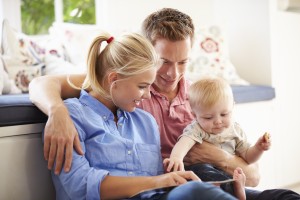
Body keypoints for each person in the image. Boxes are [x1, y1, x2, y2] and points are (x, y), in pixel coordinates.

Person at [29, 8, 300, 200]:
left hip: (192, 180)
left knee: (283, 195)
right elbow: (44, 83)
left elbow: (252, 174)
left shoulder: (195, 96)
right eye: (164, 62)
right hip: (179, 185)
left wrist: (214, 156)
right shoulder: (114, 90)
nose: (173, 73)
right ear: (147, 54)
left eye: (183, 62)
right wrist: (57, 110)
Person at [47, 31, 236, 199]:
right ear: (114, 79)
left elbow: (158, 187)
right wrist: (160, 182)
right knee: (194, 192)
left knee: (250, 193)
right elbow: (79, 186)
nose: (147, 95)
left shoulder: (145, 122)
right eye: (142, 86)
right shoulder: (71, 117)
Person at [164, 77, 272, 199]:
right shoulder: (197, 129)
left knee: (283, 195)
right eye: (208, 118)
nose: (218, 122)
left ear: (232, 107)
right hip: (201, 173)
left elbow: (248, 157)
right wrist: (176, 158)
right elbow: (184, 142)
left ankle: (238, 192)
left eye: (224, 114)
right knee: (204, 170)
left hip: (226, 175)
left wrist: (258, 148)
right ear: (195, 115)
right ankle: (236, 193)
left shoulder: (235, 130)